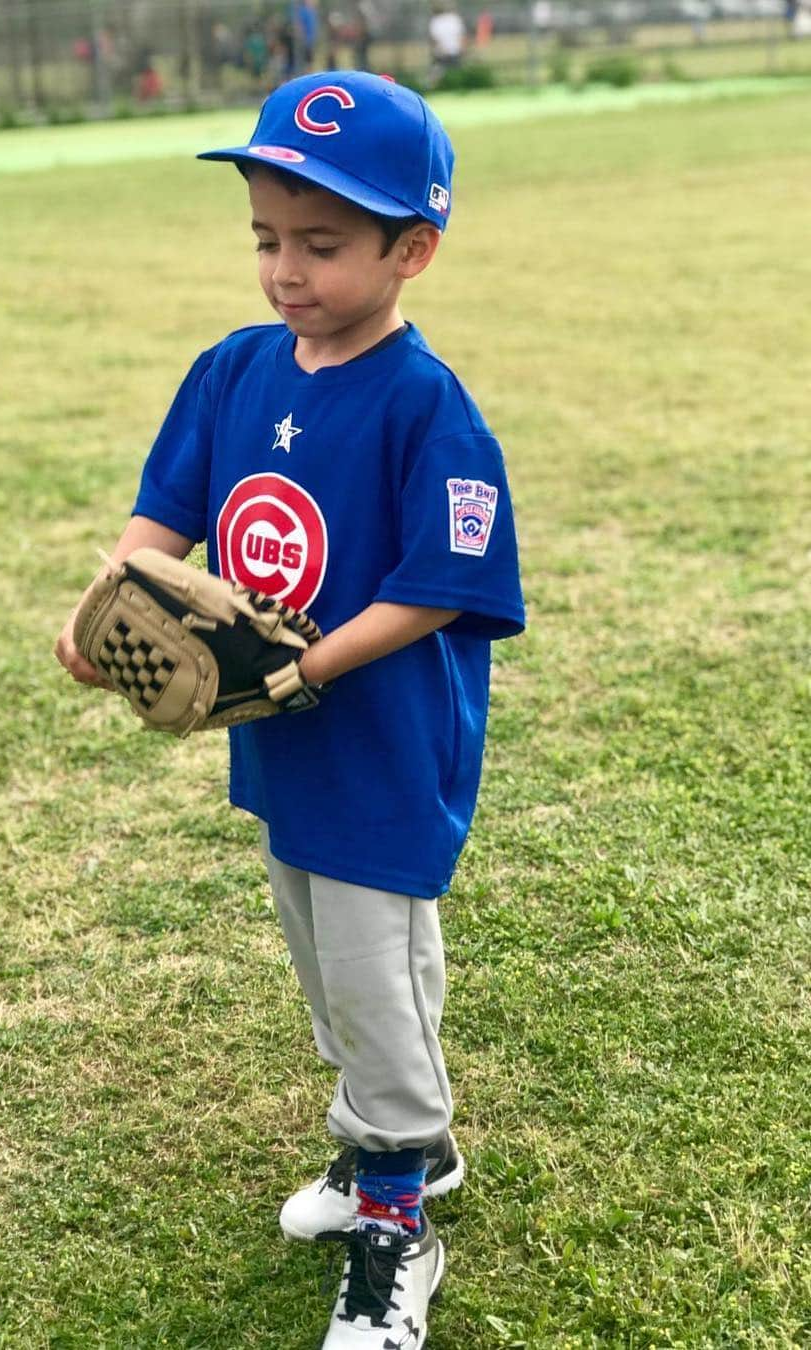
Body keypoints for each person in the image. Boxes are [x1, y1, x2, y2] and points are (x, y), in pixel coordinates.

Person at [54, 70, 525, 1348]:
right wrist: (105, 602)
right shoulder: (236, 369)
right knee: (327, 975)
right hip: (285, 753)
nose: (284, 271)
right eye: (267, 238)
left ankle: (397, 1223)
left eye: (321, 244)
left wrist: (305, 670)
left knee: (379, 987)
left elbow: (440, 587)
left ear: (410, 249)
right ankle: (394, 1153)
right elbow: (169, 513)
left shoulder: (430, 407)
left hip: (378, 749)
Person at [430, 2, 467, 72]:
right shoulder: (455, 18)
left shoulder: (436, 20)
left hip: (442, 53)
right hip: (454, 52)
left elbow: (435, 39)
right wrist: (463, 49)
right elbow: (462, 36)